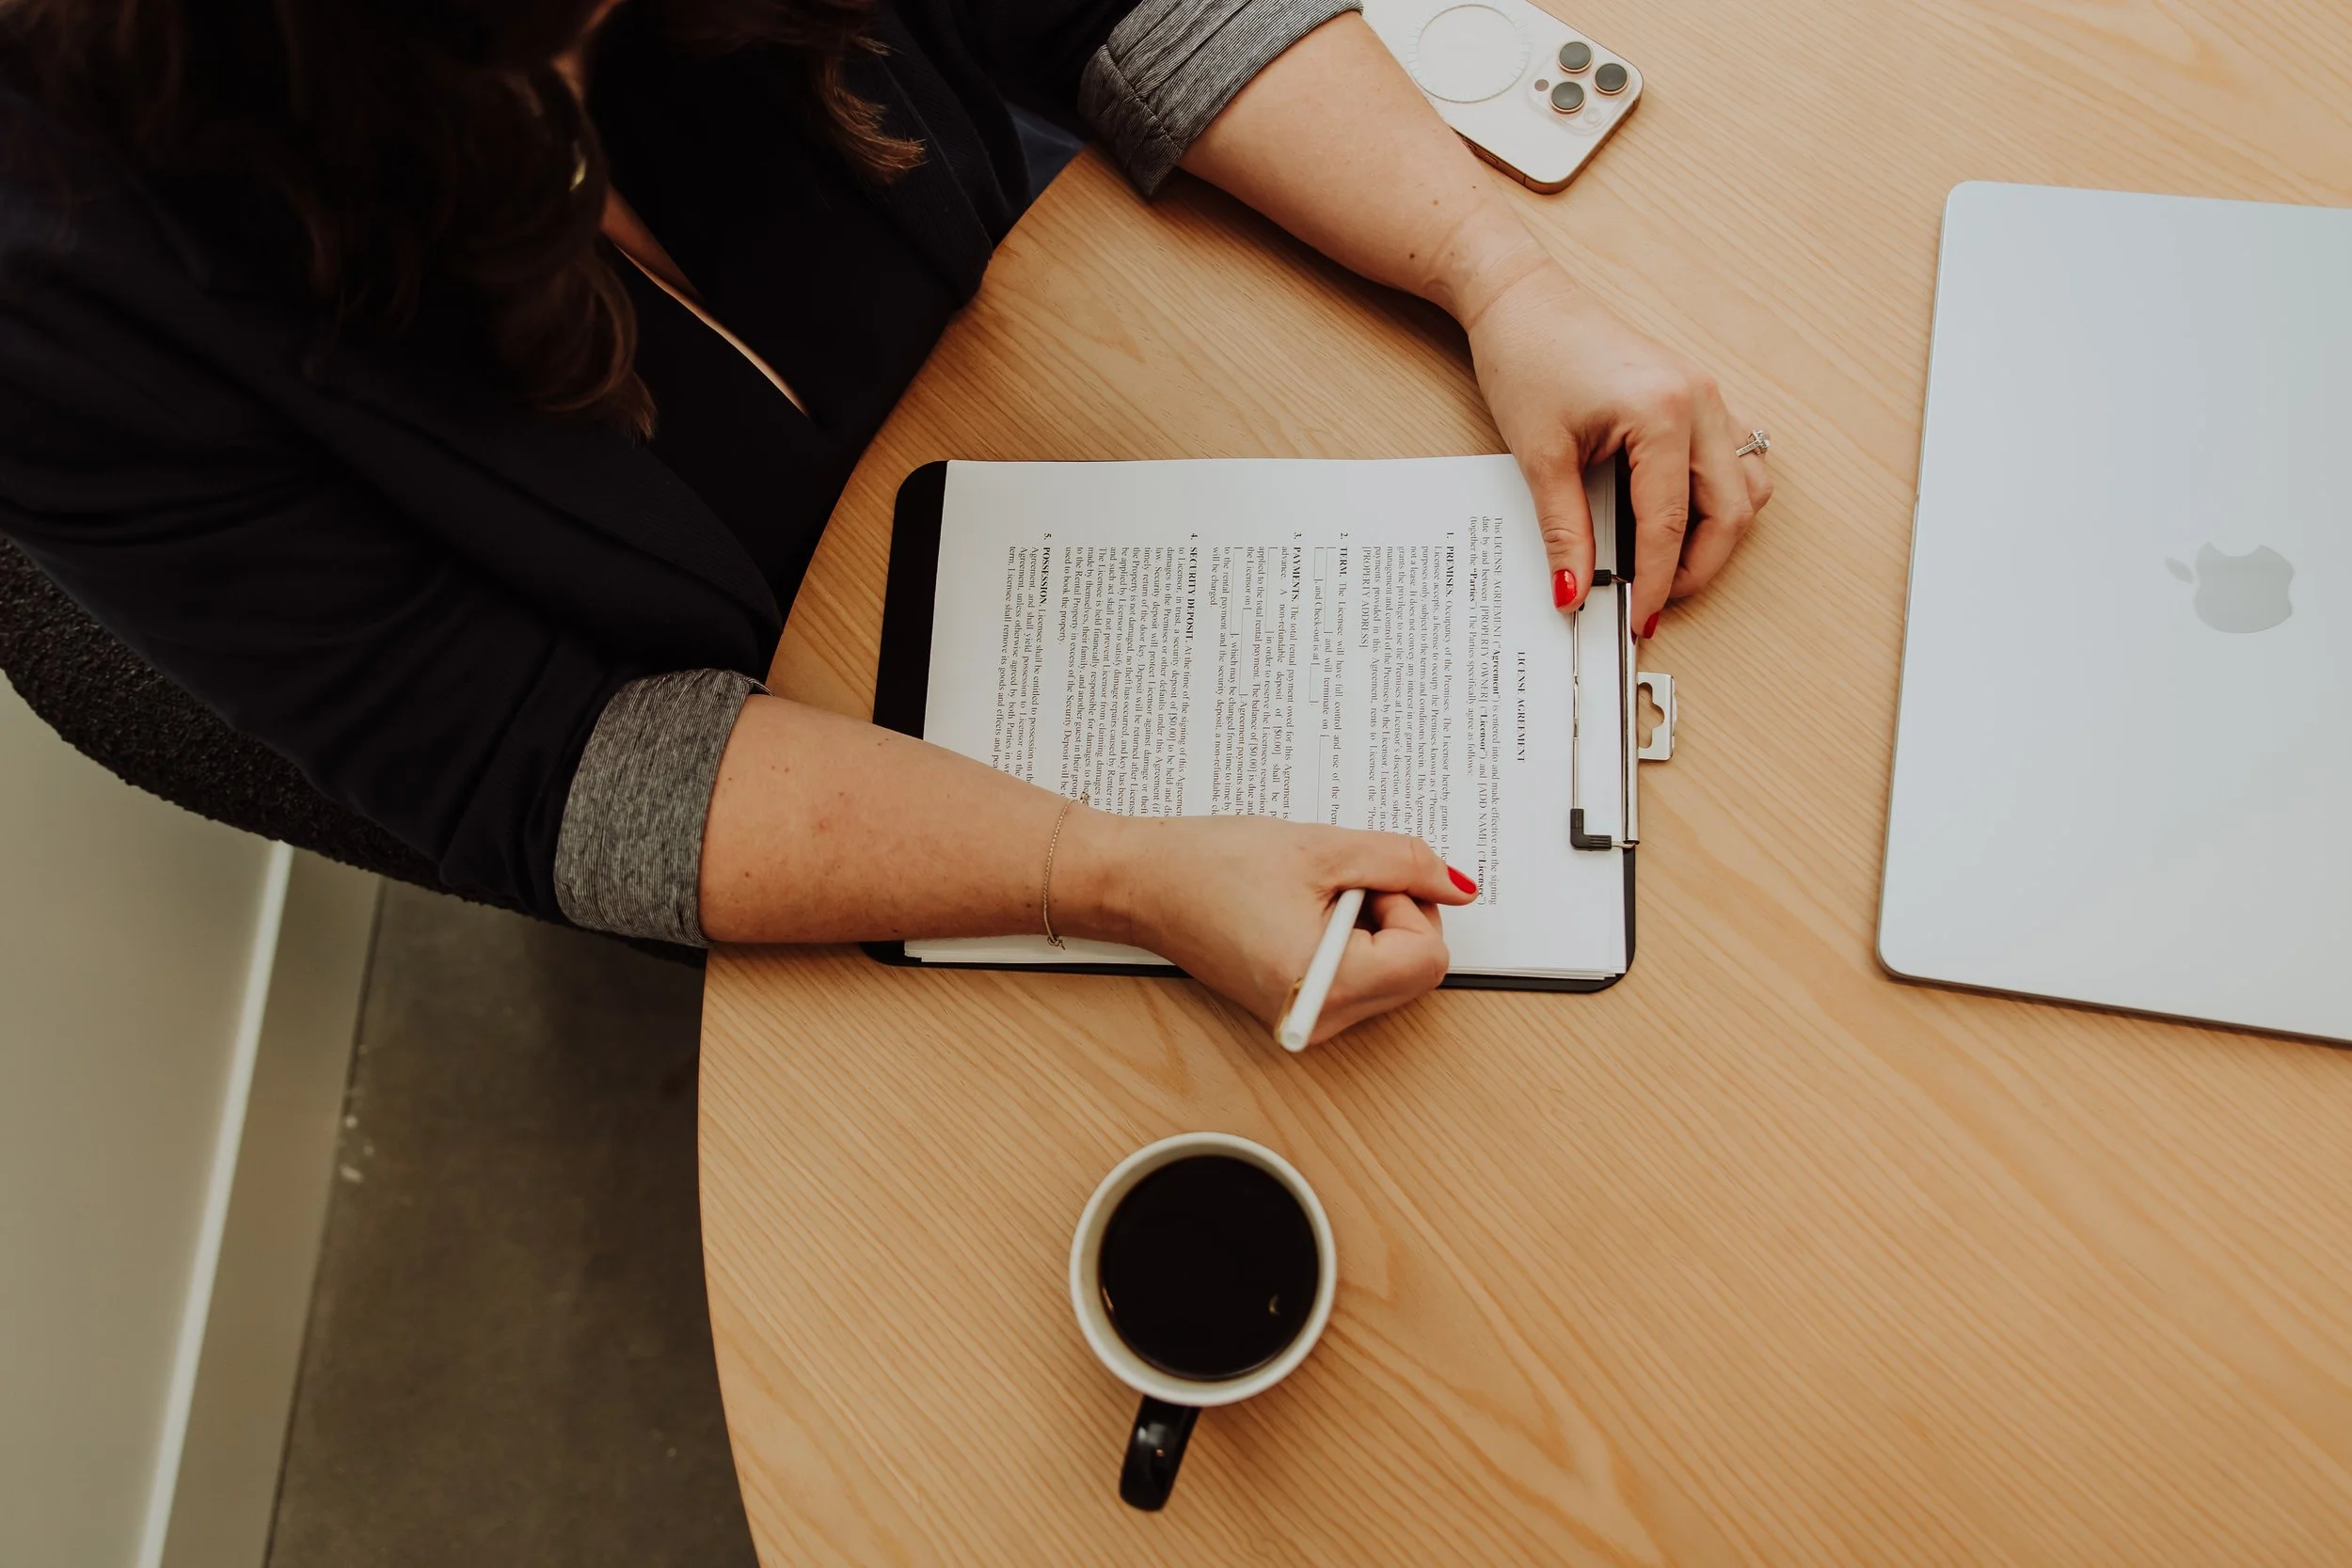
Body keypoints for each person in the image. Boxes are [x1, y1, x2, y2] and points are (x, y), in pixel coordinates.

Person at [0, 0, 1769, 1044]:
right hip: (777, 726)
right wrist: (1116, 874)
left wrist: (1496, 272)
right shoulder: (60, 286)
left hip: (1051, 412)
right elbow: (529, 762)